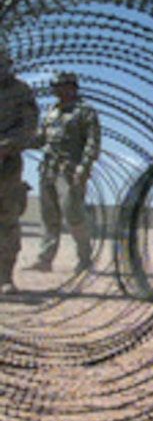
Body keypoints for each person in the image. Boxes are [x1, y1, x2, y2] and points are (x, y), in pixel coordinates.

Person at [27, 71, 101, 274]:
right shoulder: (52, 111)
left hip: (69, 170)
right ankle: (45, 259)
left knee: (73, 215)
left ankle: (85, 259)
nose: (55, 90)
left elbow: (92, 143)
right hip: (48, 168)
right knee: (49, 216)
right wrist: (21, 140)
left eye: (59, 86)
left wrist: (83, 168)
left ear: (71, 87)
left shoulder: (85, 112)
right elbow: (41, 138)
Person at [0, 40, 39, 295]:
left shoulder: (20, 91)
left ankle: (4, 277)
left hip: (6, 164)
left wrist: (5, 146)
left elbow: (29, 126)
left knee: (6, 220)